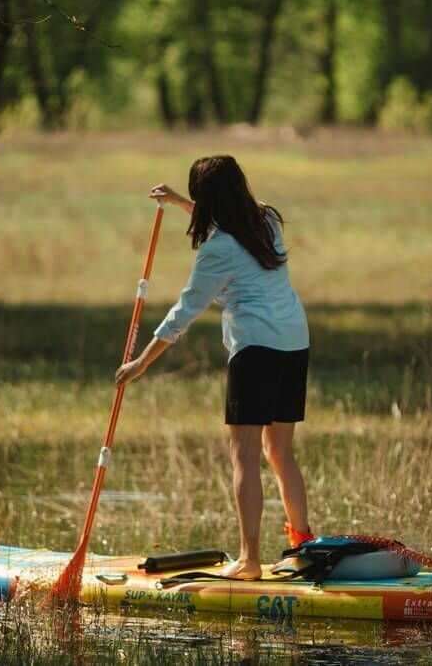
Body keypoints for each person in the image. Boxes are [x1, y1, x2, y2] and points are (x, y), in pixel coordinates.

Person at [114, 155, 314, 579]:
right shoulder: (266, 221)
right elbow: (230, 221)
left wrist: (140, 363)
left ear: (209, 202)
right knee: (279, 452)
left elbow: (183, 313)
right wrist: (182, 202)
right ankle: (303, 547)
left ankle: (250, 560)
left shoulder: (217, 250)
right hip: (294, 341)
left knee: (243, 455)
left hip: (257, 348)